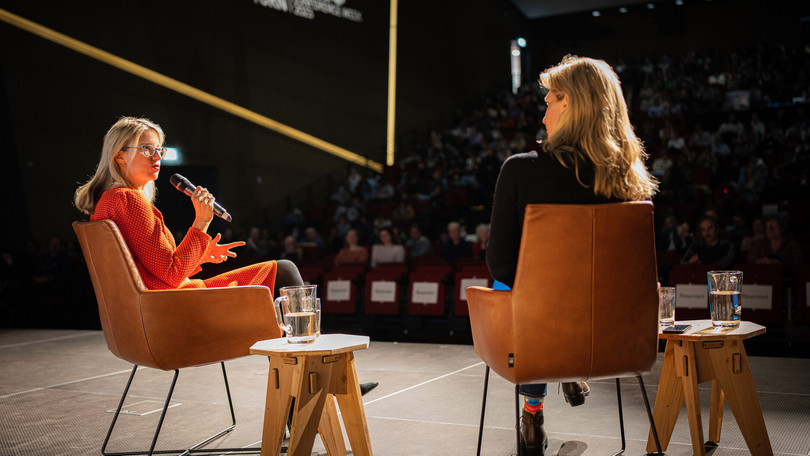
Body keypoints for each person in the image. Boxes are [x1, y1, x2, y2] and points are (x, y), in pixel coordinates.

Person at [75, 117, 378, 394]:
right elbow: (170, 274)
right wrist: (201, 222)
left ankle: (306, 390)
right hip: (172, 313)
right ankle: (322, 381)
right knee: (284, 271)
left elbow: (152, 268)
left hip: (158, 310)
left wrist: (200, 255)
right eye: (147, 149)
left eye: (159, 150)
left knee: (279, 276)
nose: (157, 157)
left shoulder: (108, 202)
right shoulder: (128, 201)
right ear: (119, 155)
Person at [487, 56, 658, 455]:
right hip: (616, 337)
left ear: (569, 104)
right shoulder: (630, 180)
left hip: (539, 331)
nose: (543, 116)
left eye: (549, 102)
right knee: (558, 297)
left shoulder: (520, 171)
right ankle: (568, 368)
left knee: (515, 289)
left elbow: (501, 265)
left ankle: (532, 412)